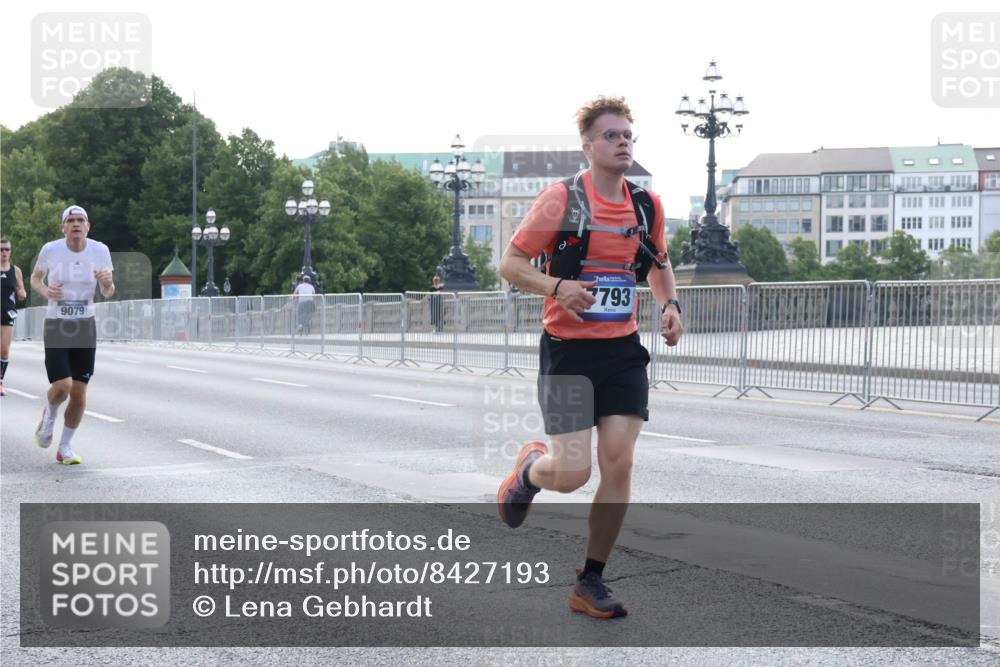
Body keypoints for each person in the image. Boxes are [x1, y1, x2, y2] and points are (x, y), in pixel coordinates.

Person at [497, 96, 684, 619]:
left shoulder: (646, 206)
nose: (622, 143)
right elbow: (510, 264)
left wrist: (670, 305)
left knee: (619, 459)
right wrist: (557, 286)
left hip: (622, 351)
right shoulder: (561, 201)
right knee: (572, 473)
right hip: (568, 351)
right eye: (611, 135)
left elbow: (658, 264)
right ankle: (530, 471)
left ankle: (590, 581)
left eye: (627, 135)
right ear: (587, 146)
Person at [30, 205, 115, 465]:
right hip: (57, 324)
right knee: (62, 387)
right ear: (63, 227)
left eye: (80, 220)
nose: (76, 224)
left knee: (78, 391)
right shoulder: (51, 249)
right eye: (71, 220)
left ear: (88, 226)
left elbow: (108, 292)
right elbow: (35, 278)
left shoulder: (100, 251)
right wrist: (46, 291)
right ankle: (50, 414)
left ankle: (65, 447)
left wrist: (107, 283)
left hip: (85, 325)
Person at [1, 239, 28, 396]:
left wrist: (22, 293)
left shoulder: (16, 271)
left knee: (4, 349)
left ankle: (0, 382)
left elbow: (21, 290)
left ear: (10, 252)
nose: (4, 252)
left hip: (7, 312)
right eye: (1, 250)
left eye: (7, 249)